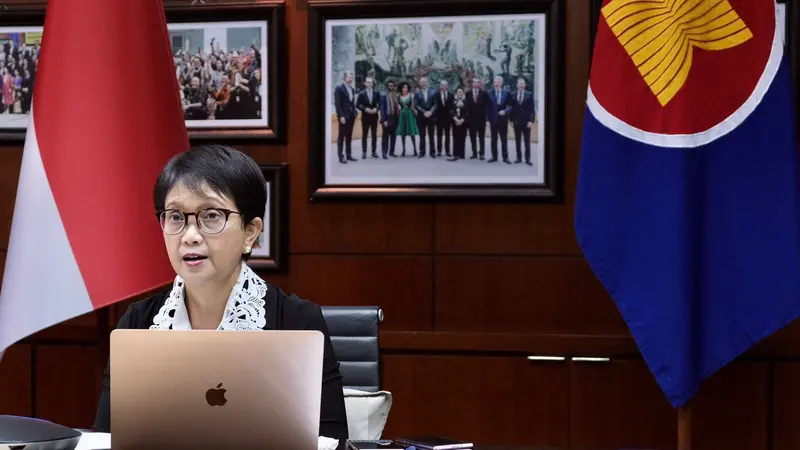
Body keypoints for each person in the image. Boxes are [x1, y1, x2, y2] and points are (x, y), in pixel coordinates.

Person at [92, 144, 349, 445]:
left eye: (211, 215)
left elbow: (332, 441)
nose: (189, 235)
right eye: (175, 216)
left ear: (250, 232)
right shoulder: (137, 323)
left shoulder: (297, 321)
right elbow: (106, 440)